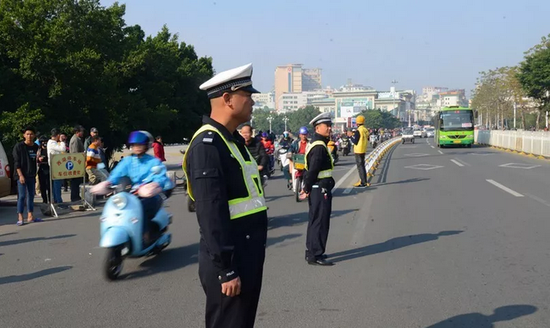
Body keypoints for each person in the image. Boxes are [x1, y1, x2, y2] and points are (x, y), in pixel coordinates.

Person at [183, 63, 268, 328]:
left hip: (246, 253)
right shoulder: (208, 145)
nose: (253, 101)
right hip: (230, 259)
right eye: (247, 95)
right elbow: (210, 213)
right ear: (228, 99)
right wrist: (226, 268)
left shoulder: (231, 141)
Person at [91, 131, 172, 243]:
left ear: (146, 146)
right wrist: (107, 183)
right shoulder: (127, 161)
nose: (137, 147)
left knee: (143, 207)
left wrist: (155, 184)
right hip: (132, 194)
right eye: (134, 145)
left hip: (151, 195)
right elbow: (116, 174)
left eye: (140, 145)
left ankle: (146, 235)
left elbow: (160, 176)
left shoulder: (153, 162)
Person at [300, 113, 335, 266]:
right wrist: (306, 188)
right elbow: (313, 170)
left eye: (330, 125)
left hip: (317, 188)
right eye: (326, 125)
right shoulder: (319, 147)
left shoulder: (316, 143)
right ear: (317, 128)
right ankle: (316, 254)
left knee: (315, 221)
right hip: (320, 188)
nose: (329, 128)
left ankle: (312, 252)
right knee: (320, 222)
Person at [12, 127, 42, 225]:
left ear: (34, 136)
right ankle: (20, 216)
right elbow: (16, 163)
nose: (29, 136)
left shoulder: (35, 147)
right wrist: (20, 175)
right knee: (22, 196)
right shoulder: (19, 146)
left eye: (31, 134)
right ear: (24, 135)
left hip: (31, 175)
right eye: (27, 134)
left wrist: (39, 159)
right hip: (21, 174)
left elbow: (34, 160)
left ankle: (30, 215)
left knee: (31, 195)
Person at [349, 115, 369, 188]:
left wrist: (351, 136)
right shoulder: (365, 129)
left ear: (357, 123)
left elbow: (355, 141)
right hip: (363, 149)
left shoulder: (358, 131)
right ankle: (364, 181)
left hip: (358, 150)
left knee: (360, 167)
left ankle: (363, 182)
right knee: (362, 166)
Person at [47, 128, 66, 204]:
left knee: (56, 184)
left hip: (56, 166)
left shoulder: (52, 143)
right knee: (57, 184)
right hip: (55, 166)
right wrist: (61, 141)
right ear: (58, 135)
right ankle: (59, 201)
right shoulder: (52, 143)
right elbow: (63, 149)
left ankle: (57, 199)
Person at [69, 125, 85, 201]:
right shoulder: (75, 140)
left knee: (77, 180)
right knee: (75, 181)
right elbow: (74, 153)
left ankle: (76, 195)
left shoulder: (77, 139)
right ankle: (74, 197)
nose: (83, 133)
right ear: (77, 132)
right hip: (75, 163)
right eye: (81, 131)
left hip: (78, 162)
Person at [36, 136, 50, 204]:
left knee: (49, 185)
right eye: (43, 142)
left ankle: (50, 199)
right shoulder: (38, 149)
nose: (44, 143)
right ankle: (44, 199)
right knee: (42, 185)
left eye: (45, 142)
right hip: (41, 168)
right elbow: (35, 158)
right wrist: (38, 159)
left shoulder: (49, 149)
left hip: (48, 167)